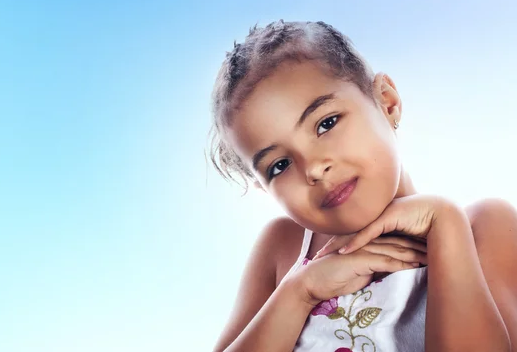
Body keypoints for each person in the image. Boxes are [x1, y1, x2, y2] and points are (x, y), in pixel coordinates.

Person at [208, 20, 517, 352]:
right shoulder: (284, 249)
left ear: (387, 102)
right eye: (279, 166)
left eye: (326, 123)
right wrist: (301, 292)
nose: (313, 168)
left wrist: (443, 221)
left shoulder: (481, 227)